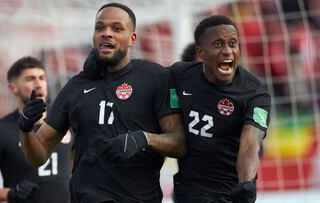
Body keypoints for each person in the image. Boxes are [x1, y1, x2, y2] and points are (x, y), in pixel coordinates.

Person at [18, 3, 186, 203]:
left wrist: (144, 139)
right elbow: (38, 155)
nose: (106, 33)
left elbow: (179, 143)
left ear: (132, 38)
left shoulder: (156, 77)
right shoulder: (75, 86)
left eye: (116, 28)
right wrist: (26, 129)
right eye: (100, 28)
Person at [170, 15, 271, 203]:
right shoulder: (180, 75)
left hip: (232, 191)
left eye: (233, 43)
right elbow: (148, 80)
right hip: (191, 190)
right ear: (201, 53)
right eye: (218, 44)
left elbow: (250, 143)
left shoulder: (255, 94)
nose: (228, 51)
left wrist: (246, 181)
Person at [0, 56, 73, 203]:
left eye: (42, 78)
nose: (39, 84)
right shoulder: (0, 130)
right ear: (13, 88)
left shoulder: (64, 119)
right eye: (30, 79)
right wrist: (10, 193)